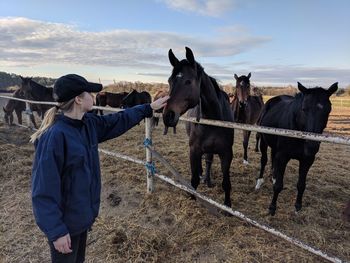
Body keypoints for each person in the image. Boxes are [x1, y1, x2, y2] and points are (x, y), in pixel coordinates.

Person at [30, 74, 169, 263]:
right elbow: (43, 191)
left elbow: (118, 120)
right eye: (89, 92)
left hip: (81, 218)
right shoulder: (55, 137)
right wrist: (56, 231)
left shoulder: (87, 124)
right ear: (79, 99)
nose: (94, 96)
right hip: (65, 225)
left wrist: (148, 108)